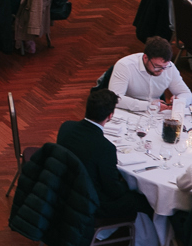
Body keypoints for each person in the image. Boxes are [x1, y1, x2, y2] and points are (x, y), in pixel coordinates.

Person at [58, 87, 154, 223]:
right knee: (145, 200)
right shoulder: (105, 148)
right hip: (92, 204)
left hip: (63, 189)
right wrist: (129, 184)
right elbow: (113, 191)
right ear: (110, 116)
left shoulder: (66, 127)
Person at [108, 37, 191, 113]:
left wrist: (180, 102)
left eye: (165, 66)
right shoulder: (125, 66)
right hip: (129, 112)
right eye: (157, 66)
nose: (162, 70)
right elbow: (115, 99)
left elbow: (185, 93)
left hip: (157, 113)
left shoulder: (170, 67)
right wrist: (148, 106)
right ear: (145, 58)